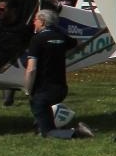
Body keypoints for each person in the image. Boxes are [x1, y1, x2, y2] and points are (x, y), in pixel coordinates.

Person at [24, 9, 91, 138]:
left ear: (42, 22)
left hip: (43, 90)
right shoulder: (61, 37)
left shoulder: (37, 39)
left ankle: (78, 132)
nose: (34, 22)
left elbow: (31, 69)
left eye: (35, 20)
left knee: (47, 132)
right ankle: (44, 125)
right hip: (60, 89)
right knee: (44, 118)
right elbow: (79, 44)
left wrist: (28, 89)